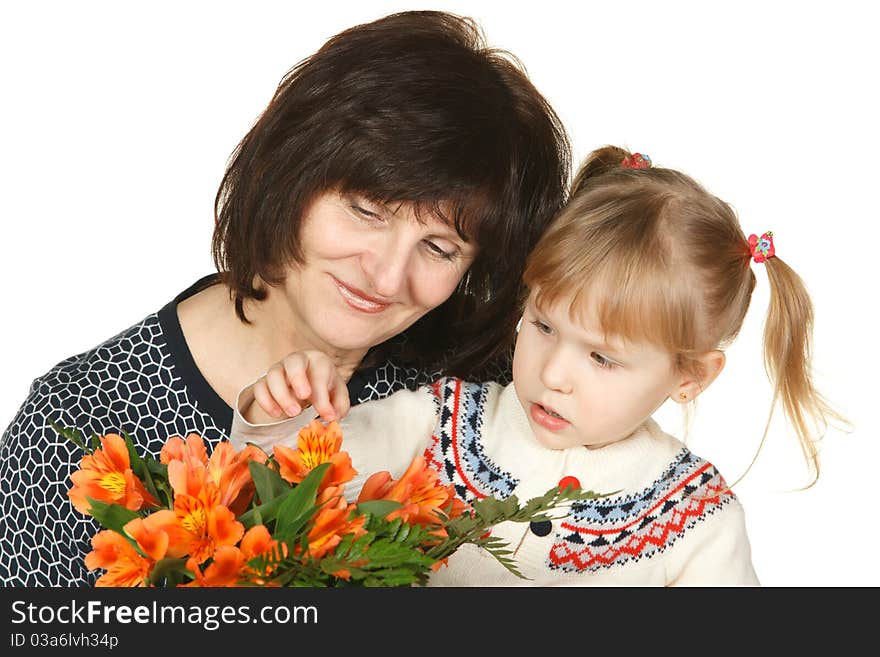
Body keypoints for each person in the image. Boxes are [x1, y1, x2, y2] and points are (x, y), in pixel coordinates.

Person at [0, 10, 570, 586]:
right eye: (366, 211)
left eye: (441, 248)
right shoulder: (74, 424)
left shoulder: (496, 390)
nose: (388, 277)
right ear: (292, 175)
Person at [231, 145, 844, 586]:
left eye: (603, 358)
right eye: (543, 326)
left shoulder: (697, 522)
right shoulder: (440, 420)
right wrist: (280, 411)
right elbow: (302, 488)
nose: (554, 373)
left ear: (692, 377)